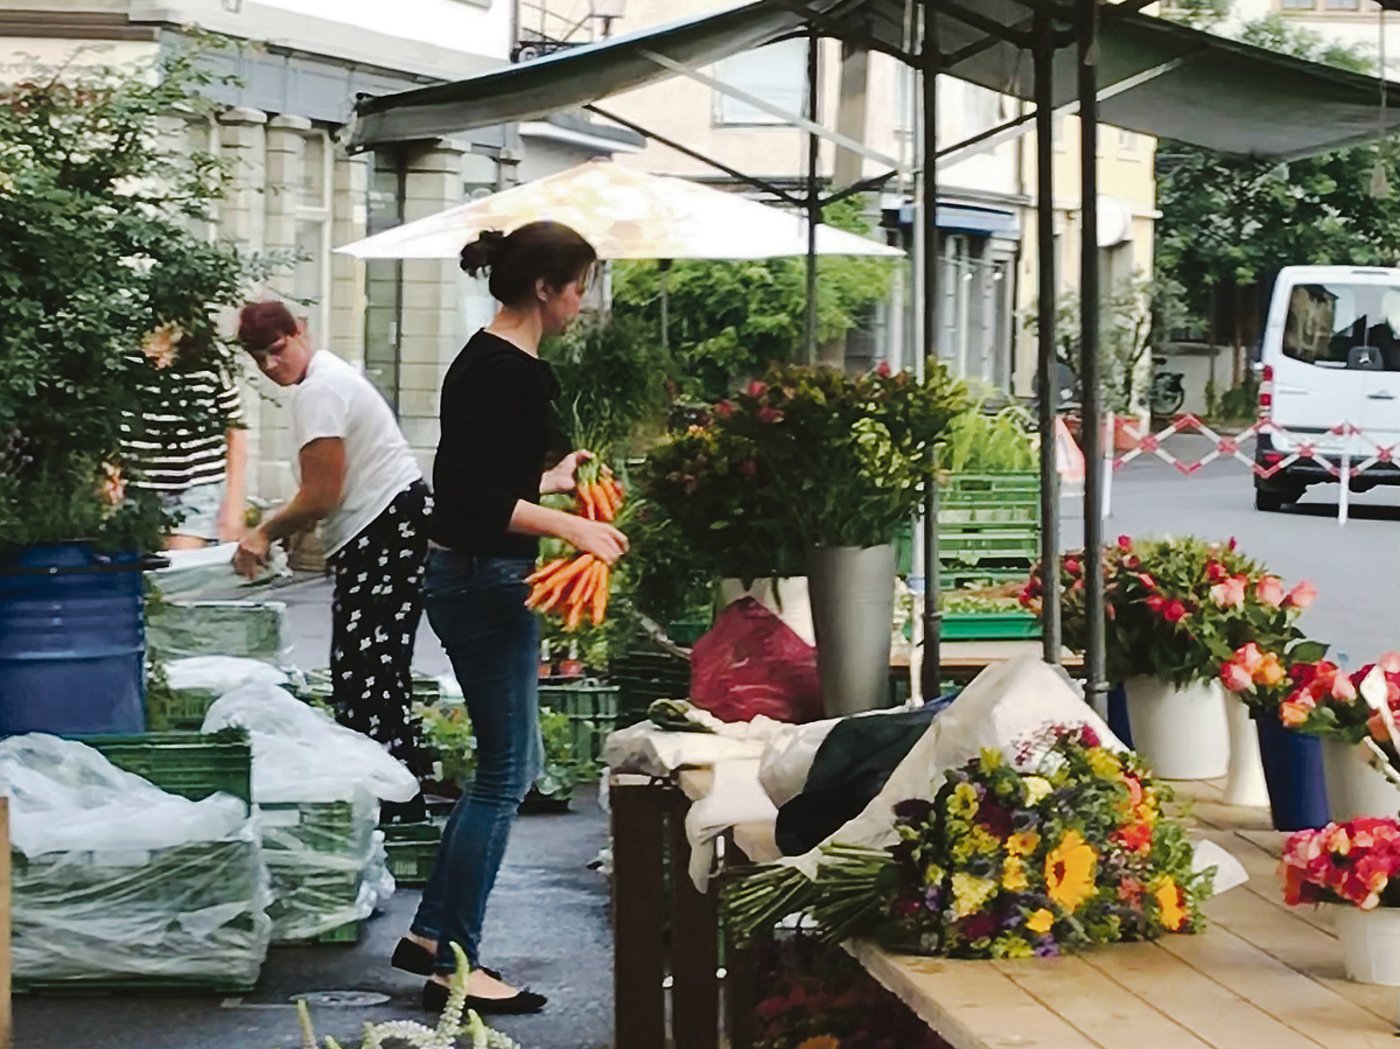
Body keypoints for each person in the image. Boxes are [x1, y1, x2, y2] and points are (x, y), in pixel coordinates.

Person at [390, 222, 628, 1015]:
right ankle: (456, 960)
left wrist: (552, 479)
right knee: (504, 773)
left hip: (476, 576)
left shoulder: (496, 361)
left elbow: (488, 473)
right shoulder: (504, 369)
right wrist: (570, 525)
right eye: (580, 286)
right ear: (544, 288)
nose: (583, 303)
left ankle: (433, 935)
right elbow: (461, 495)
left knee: (503, 767)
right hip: (481, 580)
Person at [231, 301, 433, 782]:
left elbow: (322, 494)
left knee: (366, 675)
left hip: (381, 528)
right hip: (393, 522)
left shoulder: (319, 390)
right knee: (375, 669)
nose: (270, 366)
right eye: (259, 358)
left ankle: (387, 794)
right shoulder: (327, 379)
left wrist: (263, 532)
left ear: (300, 331)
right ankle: (396, 783)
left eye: (277, 350)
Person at [123, 324, 248, 549]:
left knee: (179, 572)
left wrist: (234, 505)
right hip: (135, 488)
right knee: (138, 576)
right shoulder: (124, 353)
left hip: (195, 488)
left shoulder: (210, 356)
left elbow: (235, 427)